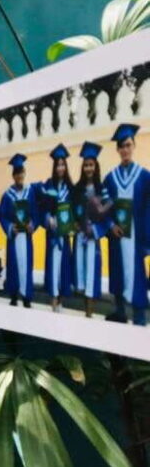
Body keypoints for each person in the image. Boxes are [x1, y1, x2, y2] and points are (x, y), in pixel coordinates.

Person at [102, 124, 150, 325]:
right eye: (121, 146)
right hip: (118, 237)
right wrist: (110, 225)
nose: (125, 150)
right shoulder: (110, 179)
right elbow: (103, 209)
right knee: (118, 276)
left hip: (136, 238)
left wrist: (146, 236)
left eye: (128, 145)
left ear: (134, 146)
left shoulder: (145, 176)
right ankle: (120, 314)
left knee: (137, 278)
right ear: (117, 149)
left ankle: (139, 319)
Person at [72, 142, 110, 318]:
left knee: (91, 274)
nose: (88, 168)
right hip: (80, 236)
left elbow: (107, 215)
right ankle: (84, 310)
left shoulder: (102, 189)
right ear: (83, 167)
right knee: (81, 271)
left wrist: (95, 230)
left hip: (93, 236)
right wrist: (75, 224)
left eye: (91, 165)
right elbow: (72, 212)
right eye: (86, 165)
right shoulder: (77, 189)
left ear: (96, 166)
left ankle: (90, 312)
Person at [0, 153, 39, 308]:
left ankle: (27, 297)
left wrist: (32, 225)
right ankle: (14, 296)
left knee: (26, 266)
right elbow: (2, 215)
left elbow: (35, 213)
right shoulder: (7, 196)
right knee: (13, 266)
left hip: (26, 238)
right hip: (14, 238)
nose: (19, 175)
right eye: (16, 173)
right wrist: (10, 227)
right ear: (13, 176)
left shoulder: (30, 193)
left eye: (21, 172)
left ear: (24, 173)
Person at [41, 145, 75, 312]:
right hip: (53, 235)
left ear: (65, 166)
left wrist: (73, 225)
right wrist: (48, 218)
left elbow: (75, 210)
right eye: (58, 165)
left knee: (63, 268)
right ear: (54, 167)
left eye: (63, 164)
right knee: (53, 267)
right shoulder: (49, 185)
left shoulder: (71, 187)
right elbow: (43, 207)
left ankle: (60, 301)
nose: (60, 168)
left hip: (65, 235)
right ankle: (53, 302)